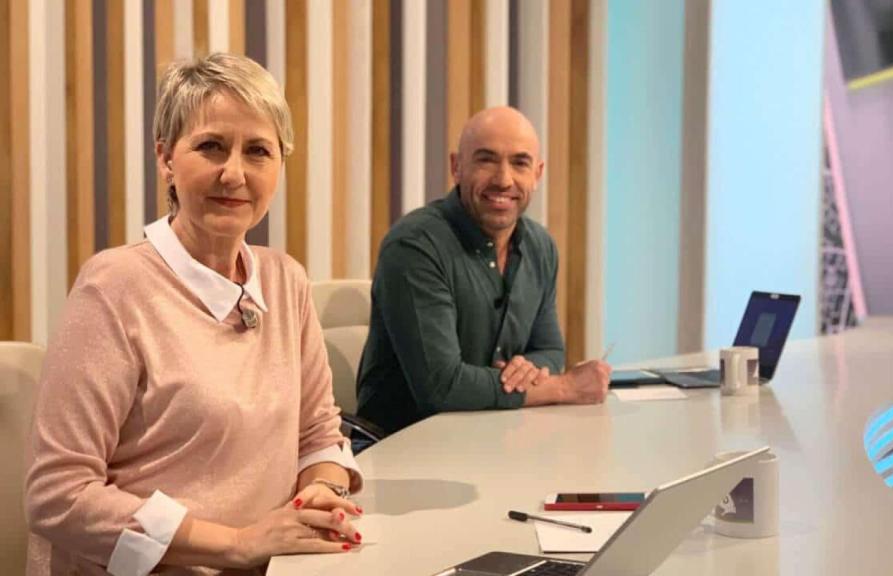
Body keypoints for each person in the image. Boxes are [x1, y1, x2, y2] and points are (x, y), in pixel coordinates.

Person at [24, 53, 364, 576]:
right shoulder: (113, 287)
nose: (234, 173)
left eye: (258, 151)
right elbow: (58, 494)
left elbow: (318, 433)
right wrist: (238, 543)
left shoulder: (286, 281)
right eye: (210, 146)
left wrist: (321, 490)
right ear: (166, 158)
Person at [356, 106, 611, 434]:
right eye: (486, 159)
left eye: (520, 163)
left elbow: (550, 350)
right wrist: (564, 388)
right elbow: (442, 387)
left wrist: (528, 370)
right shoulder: (415, 246)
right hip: (407, 451)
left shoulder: (540, 246)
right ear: (456, 167)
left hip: (500, 438)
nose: (504, 180)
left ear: (538, 173)